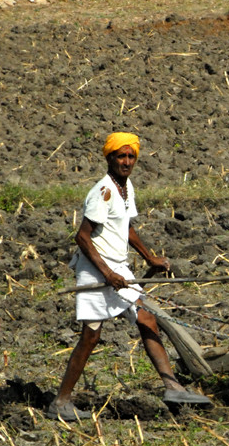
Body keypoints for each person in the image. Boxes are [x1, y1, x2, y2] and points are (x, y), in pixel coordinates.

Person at [49, 132, 210, 421]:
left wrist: (149, 257)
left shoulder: (125, 187)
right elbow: (82, 237)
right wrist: (108, 273)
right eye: (121, 156)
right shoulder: (103, 191)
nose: (126, 161)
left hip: (117, 267)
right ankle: (61, 402)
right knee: (91, 336)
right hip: (96, 269)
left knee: (146, 317)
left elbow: (127, 227)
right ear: (109, 158)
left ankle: (171, 386)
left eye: (131, 156)